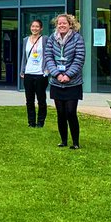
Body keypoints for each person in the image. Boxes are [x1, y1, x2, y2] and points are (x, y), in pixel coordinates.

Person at [47, 13, 86, 149]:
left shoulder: (77, 39)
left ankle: (75, 142)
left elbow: (79, 58)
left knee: (70, 112)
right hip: (56, 82)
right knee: (60, 113)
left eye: (64, 23)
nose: (62, 25)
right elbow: (48, 57)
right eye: (59, 23)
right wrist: (57, 74)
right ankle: (63, 140)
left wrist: (68, 75)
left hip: (73, 82)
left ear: (70, 24)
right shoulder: (52, 38)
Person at [22, 19, 49, 128]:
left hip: (40, 73)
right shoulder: (25, 40)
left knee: (41, 99)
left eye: (37, 26)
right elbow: (24, 56)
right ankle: (31, 122)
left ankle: (40, 122)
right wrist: (22, 70)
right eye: (33, 26)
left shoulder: (45, 39)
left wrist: (47, 70)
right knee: (29, 100)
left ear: (41, 28)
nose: (35, 28)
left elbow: (49, 55)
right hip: (28, 73)